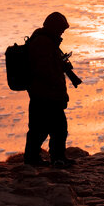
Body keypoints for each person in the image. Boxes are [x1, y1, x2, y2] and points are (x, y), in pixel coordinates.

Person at [23, 12, 74, 168]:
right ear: (54, 27)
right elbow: (44, 70)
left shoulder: (46, 41)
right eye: (61, 29)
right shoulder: (43, 43)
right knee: (56, 129)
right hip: (46, 95)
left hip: (44, 94)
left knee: (40, 129)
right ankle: (55, 158)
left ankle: (35, 158)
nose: (62, 33)